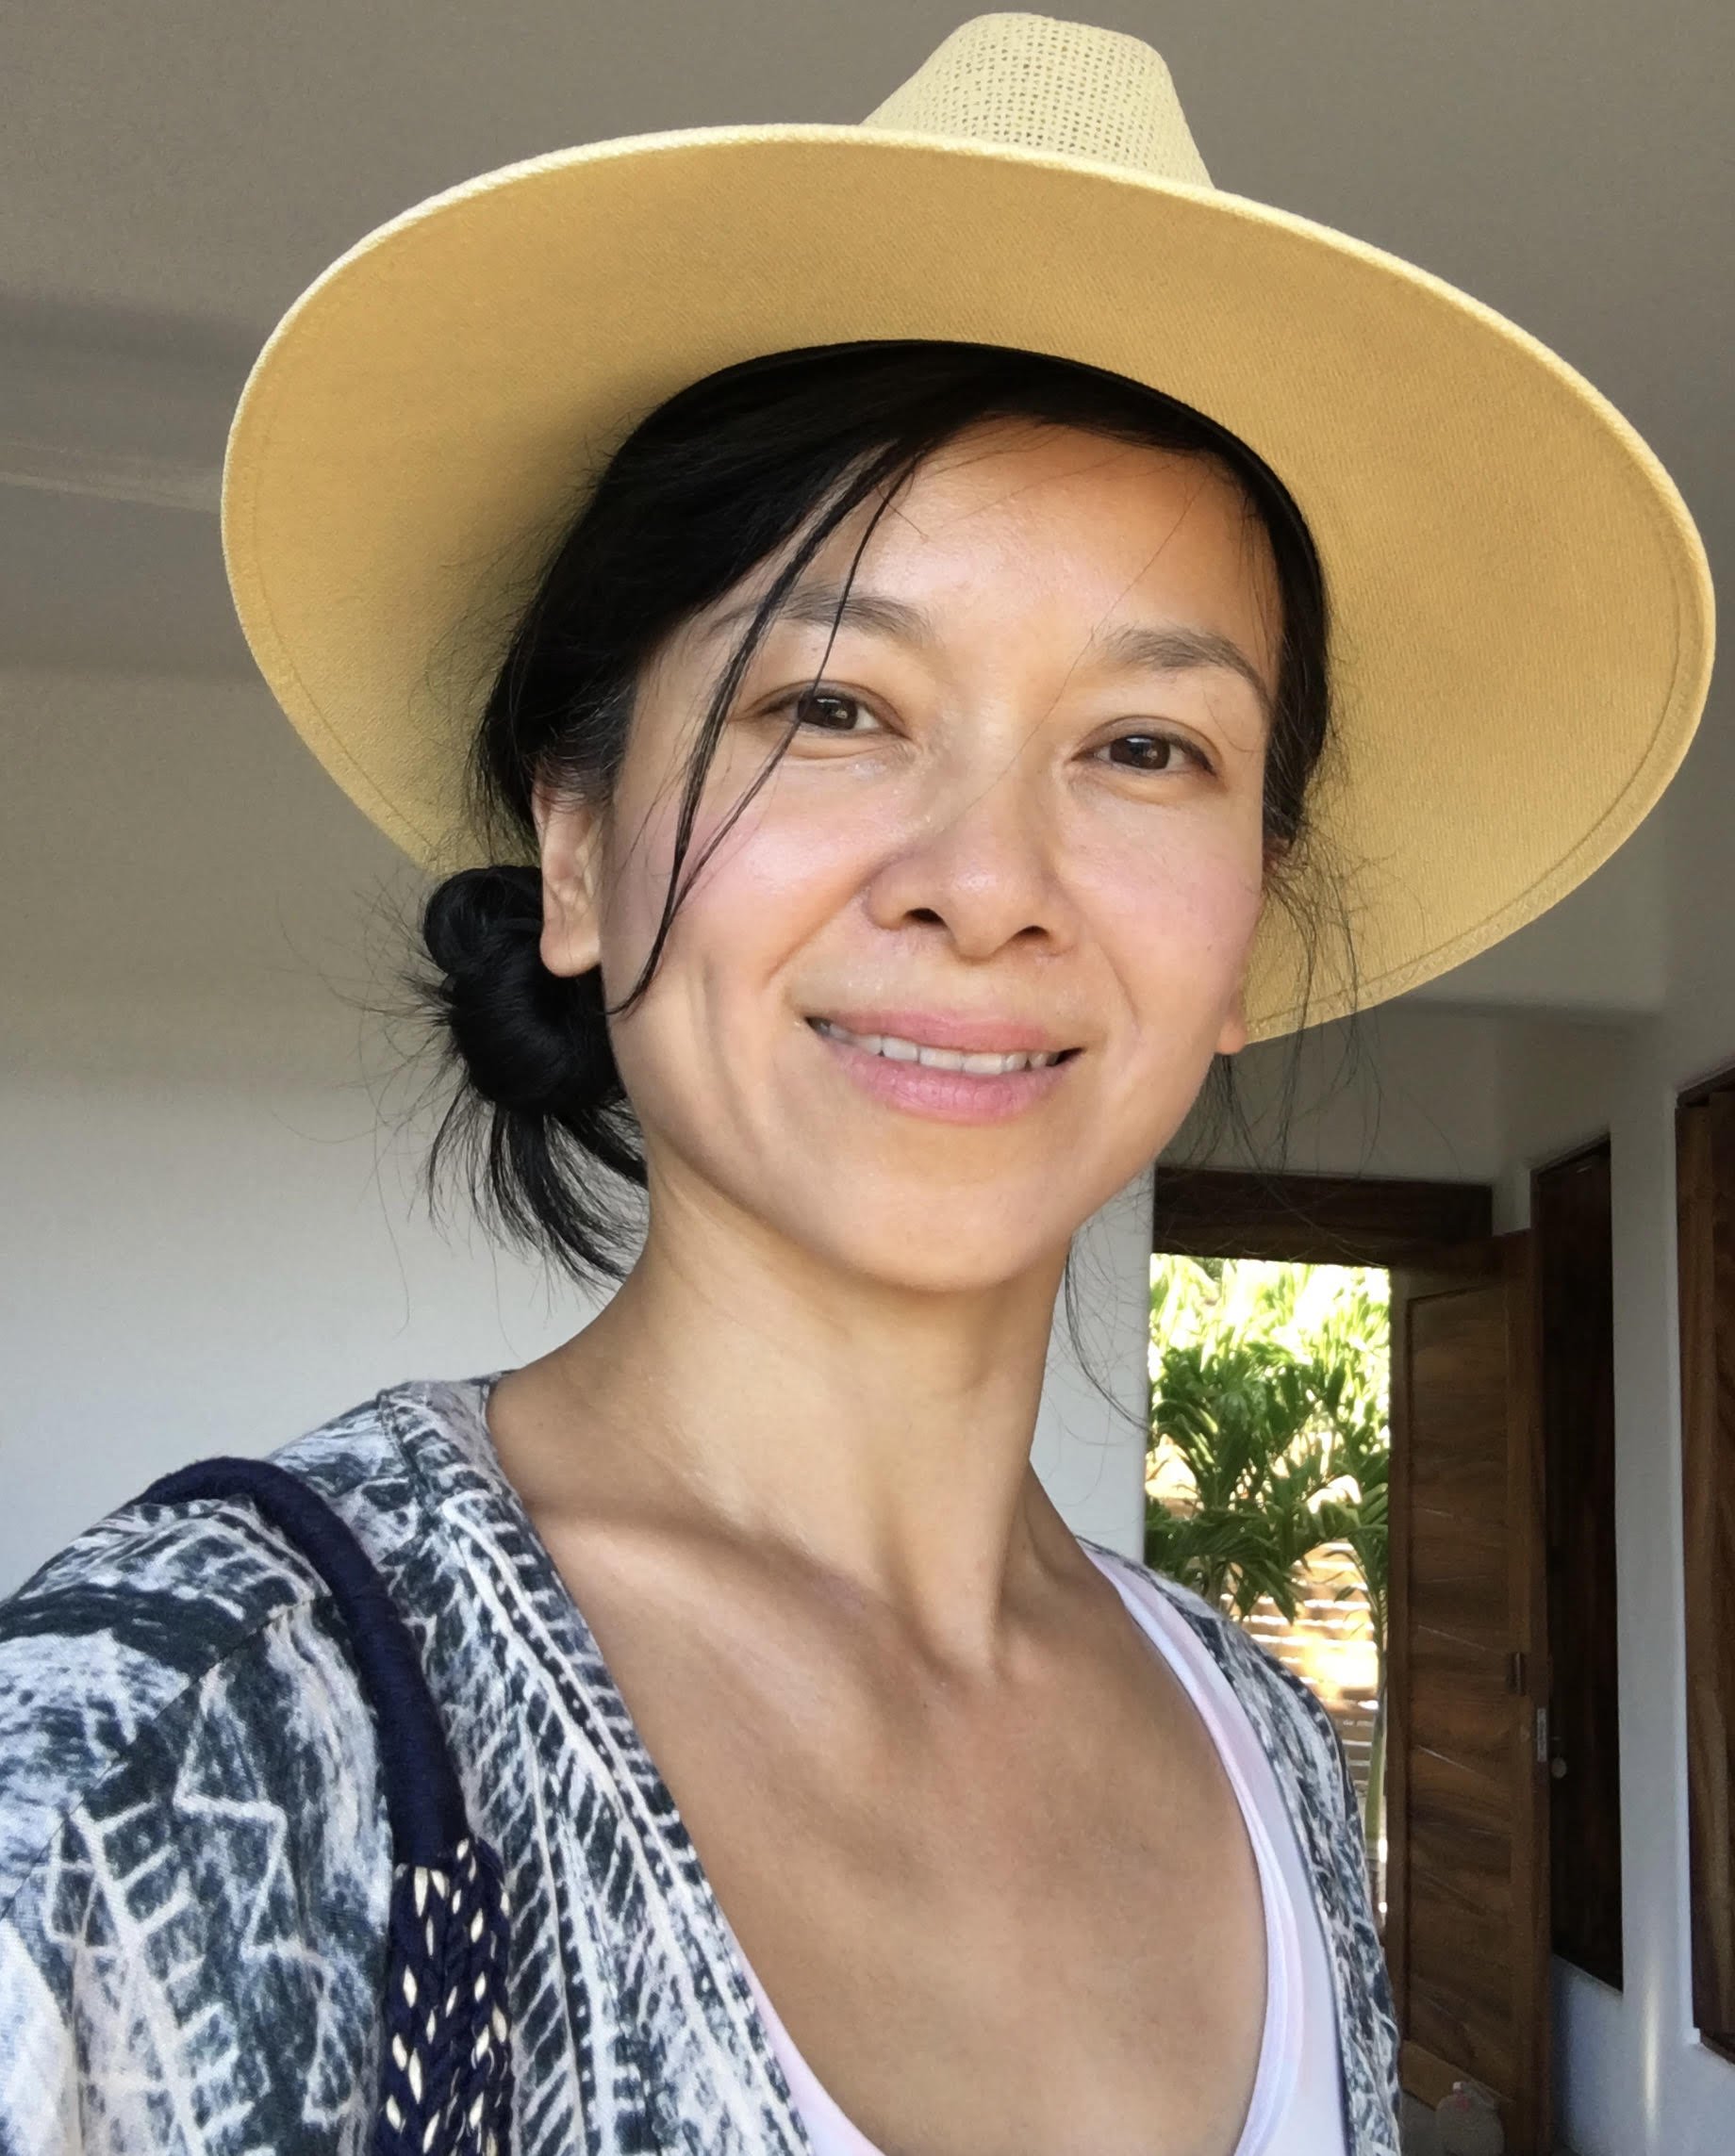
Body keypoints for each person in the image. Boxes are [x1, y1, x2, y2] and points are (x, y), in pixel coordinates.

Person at [0, 16, 1710, 2156]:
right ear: (575, 849)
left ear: (1246, 940)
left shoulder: (1269, 1751)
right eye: (832, 702)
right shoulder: (180, 1745)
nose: (985, 887)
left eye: (1145, 747)